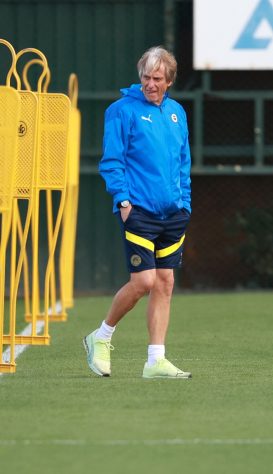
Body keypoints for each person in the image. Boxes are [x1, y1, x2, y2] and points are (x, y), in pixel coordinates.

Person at [84, 46, 192, 379]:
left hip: (174, 212)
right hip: (138, 210)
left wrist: (185, 200)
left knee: (165, 281)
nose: (150, 84)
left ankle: (155, 361)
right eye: (146, 77)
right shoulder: (121, 110)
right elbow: (112, 160)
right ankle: (100, 337)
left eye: (157, 78)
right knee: (143, 280)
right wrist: (124, 201)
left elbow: (183, 161)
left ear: (169, 80)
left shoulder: (177, 112)